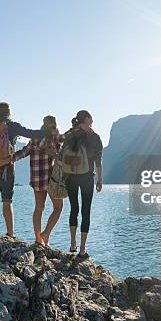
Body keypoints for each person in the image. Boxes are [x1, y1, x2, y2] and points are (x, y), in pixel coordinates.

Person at [0, 102, 44, 238]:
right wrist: (46, 131)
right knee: (7, 200)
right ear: (9, 111)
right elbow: (29, 133)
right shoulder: (12, 126)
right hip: (7, 167)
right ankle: (10, 234)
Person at [13, 115, 64, 246]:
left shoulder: (35, 138)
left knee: (39, 208)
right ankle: (46, 233)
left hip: (37, 179)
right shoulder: (55, 139)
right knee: (58, 208)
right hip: (52, 180)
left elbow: (23, 153)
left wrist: (9, 159)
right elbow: (61, 159)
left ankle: (38, 239)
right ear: (54, 125)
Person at [64, 110, 103, 259]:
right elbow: (98, 161)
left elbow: (63, 154)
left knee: (74, 208)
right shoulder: (94, 137)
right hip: (87, 177)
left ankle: (72, 243)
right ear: (87, 119)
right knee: (85, 210)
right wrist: (99, 179)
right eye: (91, 118)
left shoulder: (71, 134)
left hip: (70, 176)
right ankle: (82, 249)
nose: (92, 120)